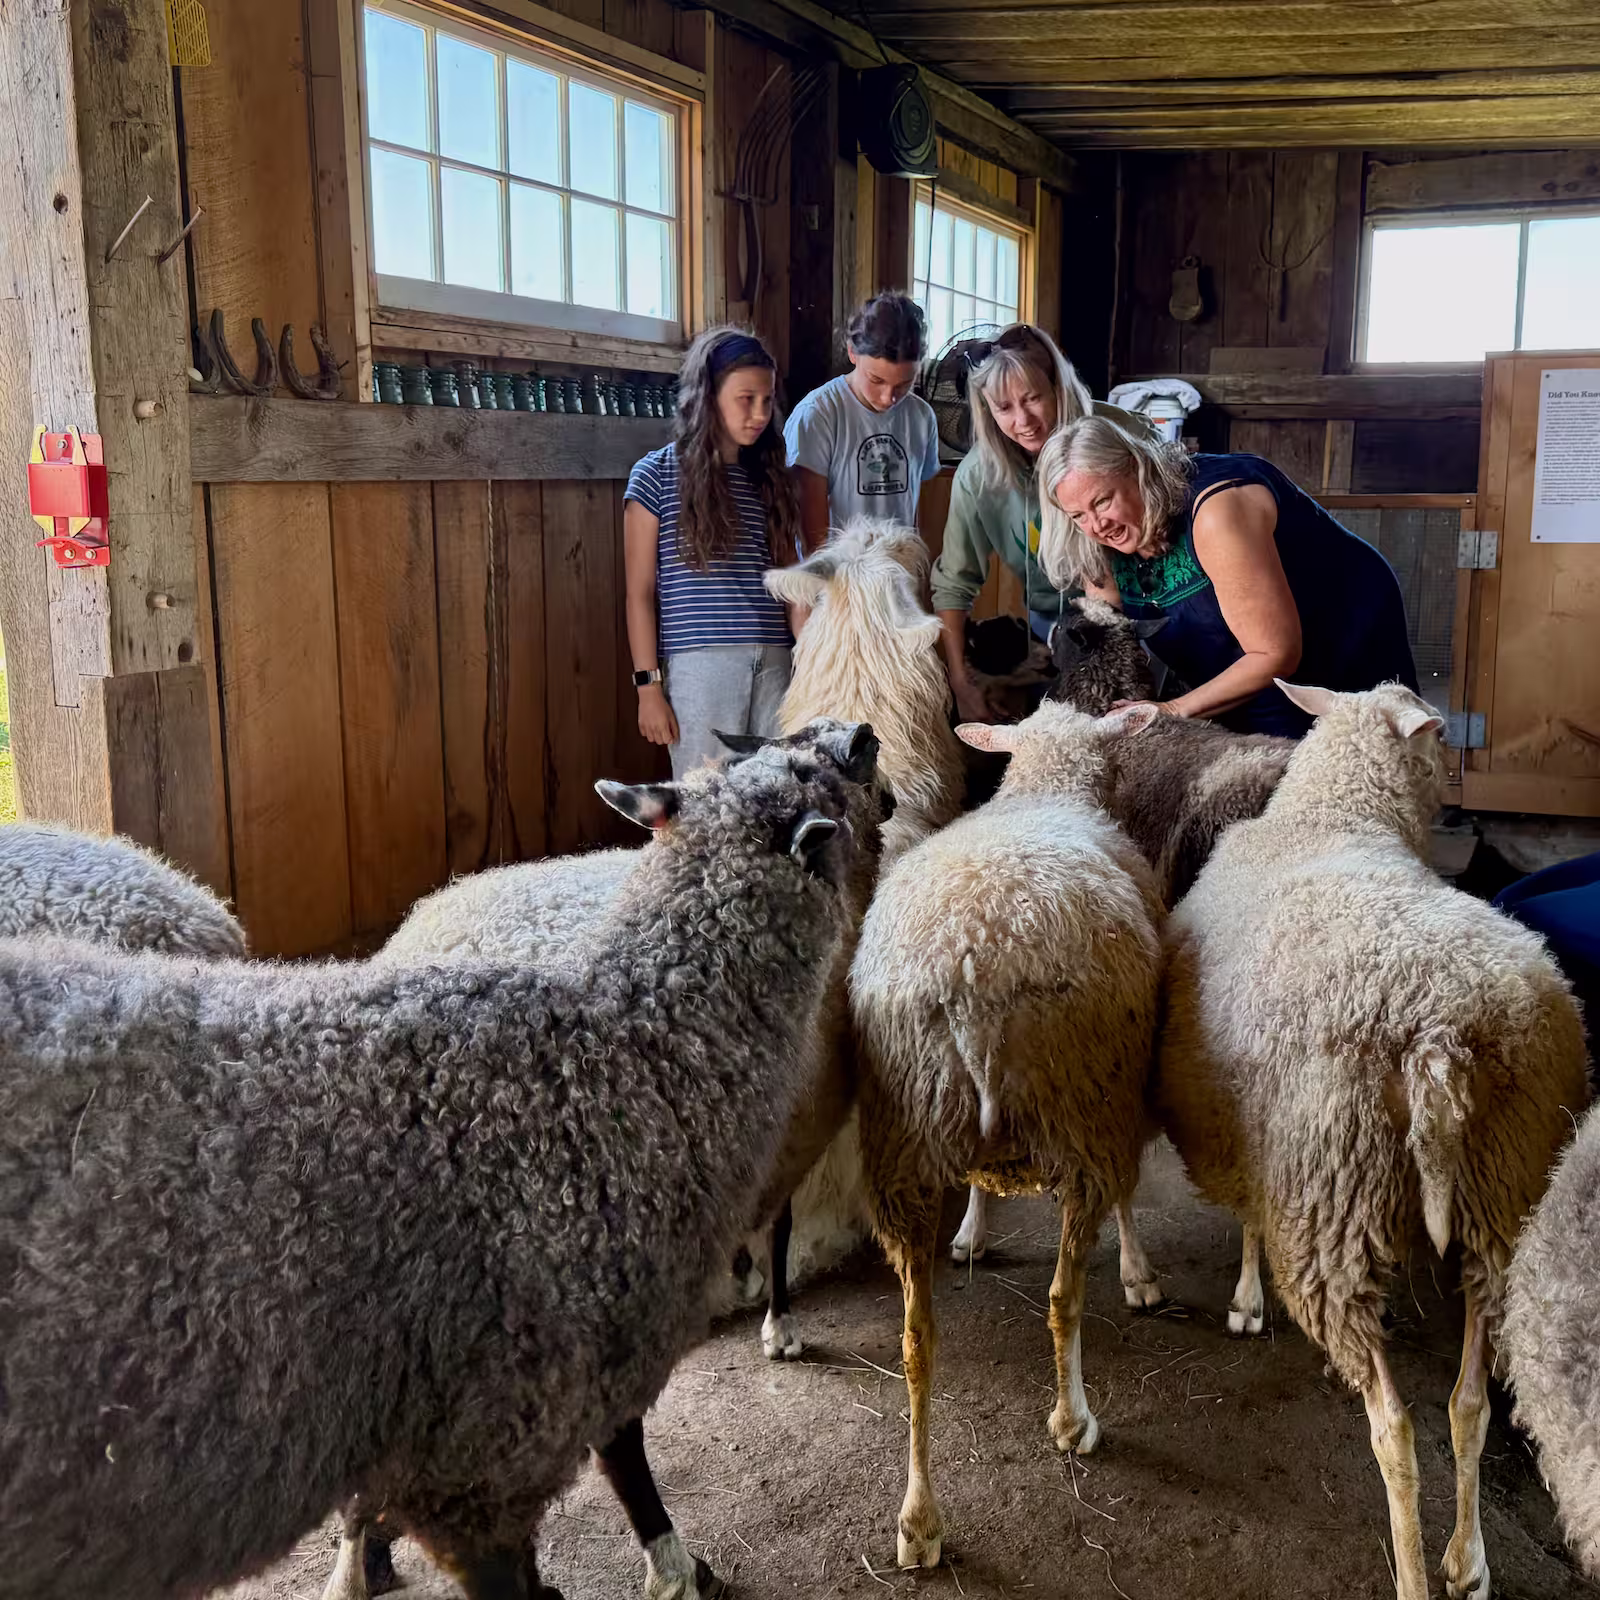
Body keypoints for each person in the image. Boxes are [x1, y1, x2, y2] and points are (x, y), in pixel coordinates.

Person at [1039, 415, 1418, 738]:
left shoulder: (1217, 510)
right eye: (1078, 515)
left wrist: (1170, 709)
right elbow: (1109, 641)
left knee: (1327, 769)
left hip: (1335, 635)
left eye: (1103, 502)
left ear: (1136, 469)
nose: (1096, 524)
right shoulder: (1101, 536)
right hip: (1241, 657)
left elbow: (1276, 654)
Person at [928, 323, 1153, 723]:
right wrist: (961, 685)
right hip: (1051, 636)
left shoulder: (1125, 434)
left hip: (1145, 622)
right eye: (1004, 408)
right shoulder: (976, 476)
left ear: (1057, 388)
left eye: (1032, 399)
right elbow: (953, 584)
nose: (1023, 420)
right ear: (985, 409)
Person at [623, 326, 802, 779]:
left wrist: (813, 660)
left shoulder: (770, 480)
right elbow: (640, 593)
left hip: (777, 665)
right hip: (701, 667)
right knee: (705, 805)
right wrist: (648, 689)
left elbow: (790, 583)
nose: (760, 413)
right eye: (746, 399)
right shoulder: (655, 476)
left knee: (778, 799)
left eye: (767, 400)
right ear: (709, 396)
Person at [784, 291, 941, 551]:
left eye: (904, 384)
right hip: (840, 577)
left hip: (897, 574)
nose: (889, 397)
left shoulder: (921, 417)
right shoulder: (818, 414)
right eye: (876, 380)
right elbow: (813, 536)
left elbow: (913, 510)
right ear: (852, 353)